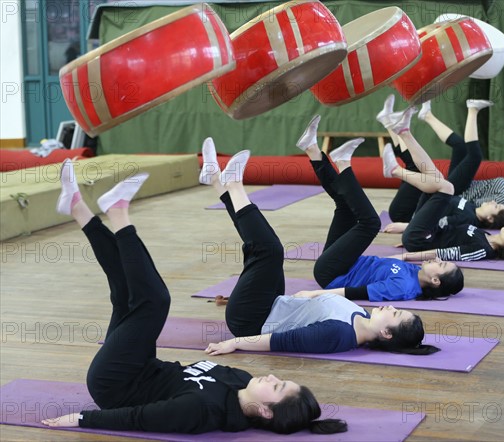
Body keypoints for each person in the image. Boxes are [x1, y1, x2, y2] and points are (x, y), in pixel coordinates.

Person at [42, 159, 346, 435]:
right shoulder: (242, 380)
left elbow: (139, 418)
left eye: (277, 386)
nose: (270, 376)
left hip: (114, 383)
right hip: (142, 365)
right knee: (124, 293)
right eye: (279, 379)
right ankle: (77, 207)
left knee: (155, 301)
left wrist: (82, 419)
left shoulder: (202, 412)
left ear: (266, 411)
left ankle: (118, 212)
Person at [198, 138, 440, 356]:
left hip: (252, 320)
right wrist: (312, 295)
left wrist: (237, 342)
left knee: (270, 250)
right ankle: (218, 181)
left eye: (395, 313)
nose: (391, 307)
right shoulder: (365, 318)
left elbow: (285, 340)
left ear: (387, 333)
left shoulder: (340, 335)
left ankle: (234, 184)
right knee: (262, 247)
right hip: (275, 304)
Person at [292, 115, 463, 303]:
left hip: (332, 274)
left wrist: (313, 295)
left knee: (371, 223)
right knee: (345, 207)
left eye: (442, 264)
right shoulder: (417, 272)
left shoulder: (403, 288)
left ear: (435, 280)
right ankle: (312, 149)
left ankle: (343, 164)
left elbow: (357, 293)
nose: (438, 259)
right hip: (346, 262)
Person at [379, 106, 504, 263]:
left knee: (447, 187)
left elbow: (445, 253)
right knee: (438, 178)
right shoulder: (485, 236)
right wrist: (411, 230)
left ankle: (395, 170)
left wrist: (406, 255)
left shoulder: (482, 249)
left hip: (420, 238)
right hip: (424, 230)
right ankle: (404, 132)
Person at [377, 95, 504, 223]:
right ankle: (415, 119)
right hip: (460, 185)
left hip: (455, 193)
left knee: (474, 155)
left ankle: (472, 110)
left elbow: (473, 208)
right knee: (460, 148)